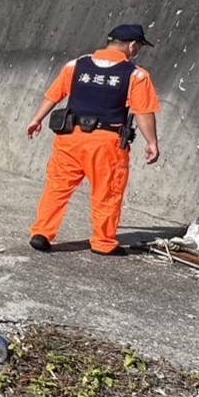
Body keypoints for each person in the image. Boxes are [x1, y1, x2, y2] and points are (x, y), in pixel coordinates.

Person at [24, 24, 162, 256]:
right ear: (132, 46)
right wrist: (152, 142)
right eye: (138, 47)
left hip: (69, 138)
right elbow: (143, 111)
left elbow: (53, 95)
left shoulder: (76, 65)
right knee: (108, 192)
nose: (137, 51)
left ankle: (42, 233)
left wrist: (36, 119)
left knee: (57, 187)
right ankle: (103, 242)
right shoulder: (136, 75)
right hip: (106, 143)